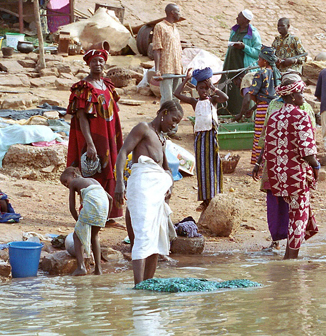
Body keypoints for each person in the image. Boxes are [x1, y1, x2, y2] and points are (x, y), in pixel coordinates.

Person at [114, 100, 184, 285]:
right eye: (174, 120)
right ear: (164, 112)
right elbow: (123, 153)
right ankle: (138, 287)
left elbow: (167, 168)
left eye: (177, 122)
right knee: (143, 236)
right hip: (142, 188)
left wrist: (168, 184)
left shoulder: (162, 139)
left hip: (157, 195)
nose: (174, 125)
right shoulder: (143, 128)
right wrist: (119, 183)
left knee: (157, 240)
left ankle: (148, 285)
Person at [253, 72, 316, 250]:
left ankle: (288, 249)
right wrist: (315, 166)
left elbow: (267, 136)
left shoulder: (279, 112)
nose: (303, 96)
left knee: (291, 206)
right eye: (300, 92)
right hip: (294, 168)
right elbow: (307, 145)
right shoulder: (298, 111)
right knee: (290, 208)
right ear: (292, 94)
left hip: (277, 167)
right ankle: (288, 248)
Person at [67, 49, 123, 226]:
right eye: (94, 61)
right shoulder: (83, 87)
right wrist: (90, 144)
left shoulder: (106, 85)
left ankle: (108, 214)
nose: (98, 64)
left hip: (108, 136)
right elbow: (82, 118)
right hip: (93, 137)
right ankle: (93, 213)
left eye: (100, 61)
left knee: (110, 169)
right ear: (88, 64)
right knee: (95, 172)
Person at [174, 67, 228, 212]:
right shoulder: (194, 102)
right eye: (201, 88)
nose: (204, 91)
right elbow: (176, 93)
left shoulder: (213, 100)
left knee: (213, 166)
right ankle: (205, 200)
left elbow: (225, 98)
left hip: (211, 137)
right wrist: (186, 80)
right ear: (196, 88)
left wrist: (213, 87)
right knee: (202, 169)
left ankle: (215, 196)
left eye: (206, 88)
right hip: (200, 139)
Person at [60, 166, 112, 276]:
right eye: (64, 185)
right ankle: (98, 269)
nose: (66, 185)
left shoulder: (75, 182)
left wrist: (78, 222)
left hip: (93, 202)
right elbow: (110, 198)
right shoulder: (93, 182)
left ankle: (81, 267)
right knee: (94, 236)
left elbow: (72, 207)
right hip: (104, 206)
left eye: (65, 181)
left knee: (77, 235)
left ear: (74, 174)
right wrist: (106, 217)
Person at [219, 9, 262, 116]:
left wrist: (244, 47)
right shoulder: (234, 30)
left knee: (242, 89)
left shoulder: (253, 34)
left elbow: (257, 53)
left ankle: (241, 113)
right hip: (231, 63)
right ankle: (224, 111)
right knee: (227, 86)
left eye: (239, 17)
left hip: (243, 65)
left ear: (246, 20)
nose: (237, 18)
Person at [245, 46, 278, 165]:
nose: (258, 61)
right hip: (275, 108)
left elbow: (252, 93)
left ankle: (259, 164)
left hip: (263, 108)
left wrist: (258, 103)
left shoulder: (261, 73)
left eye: (259, 59)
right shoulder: (276, 72)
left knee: (260, 135)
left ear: (265, 61)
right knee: (271, 135)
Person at [153, 3, 183, 107]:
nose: (179, 14)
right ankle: (164, 121)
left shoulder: (175, 28)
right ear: (172, 13)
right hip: (166, 69)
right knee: (167, 99)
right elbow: (157, 49)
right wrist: (157, 70)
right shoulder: (160, 26)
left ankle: (174, 121)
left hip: (177, 69)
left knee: (176, 98)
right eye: (178, 12)